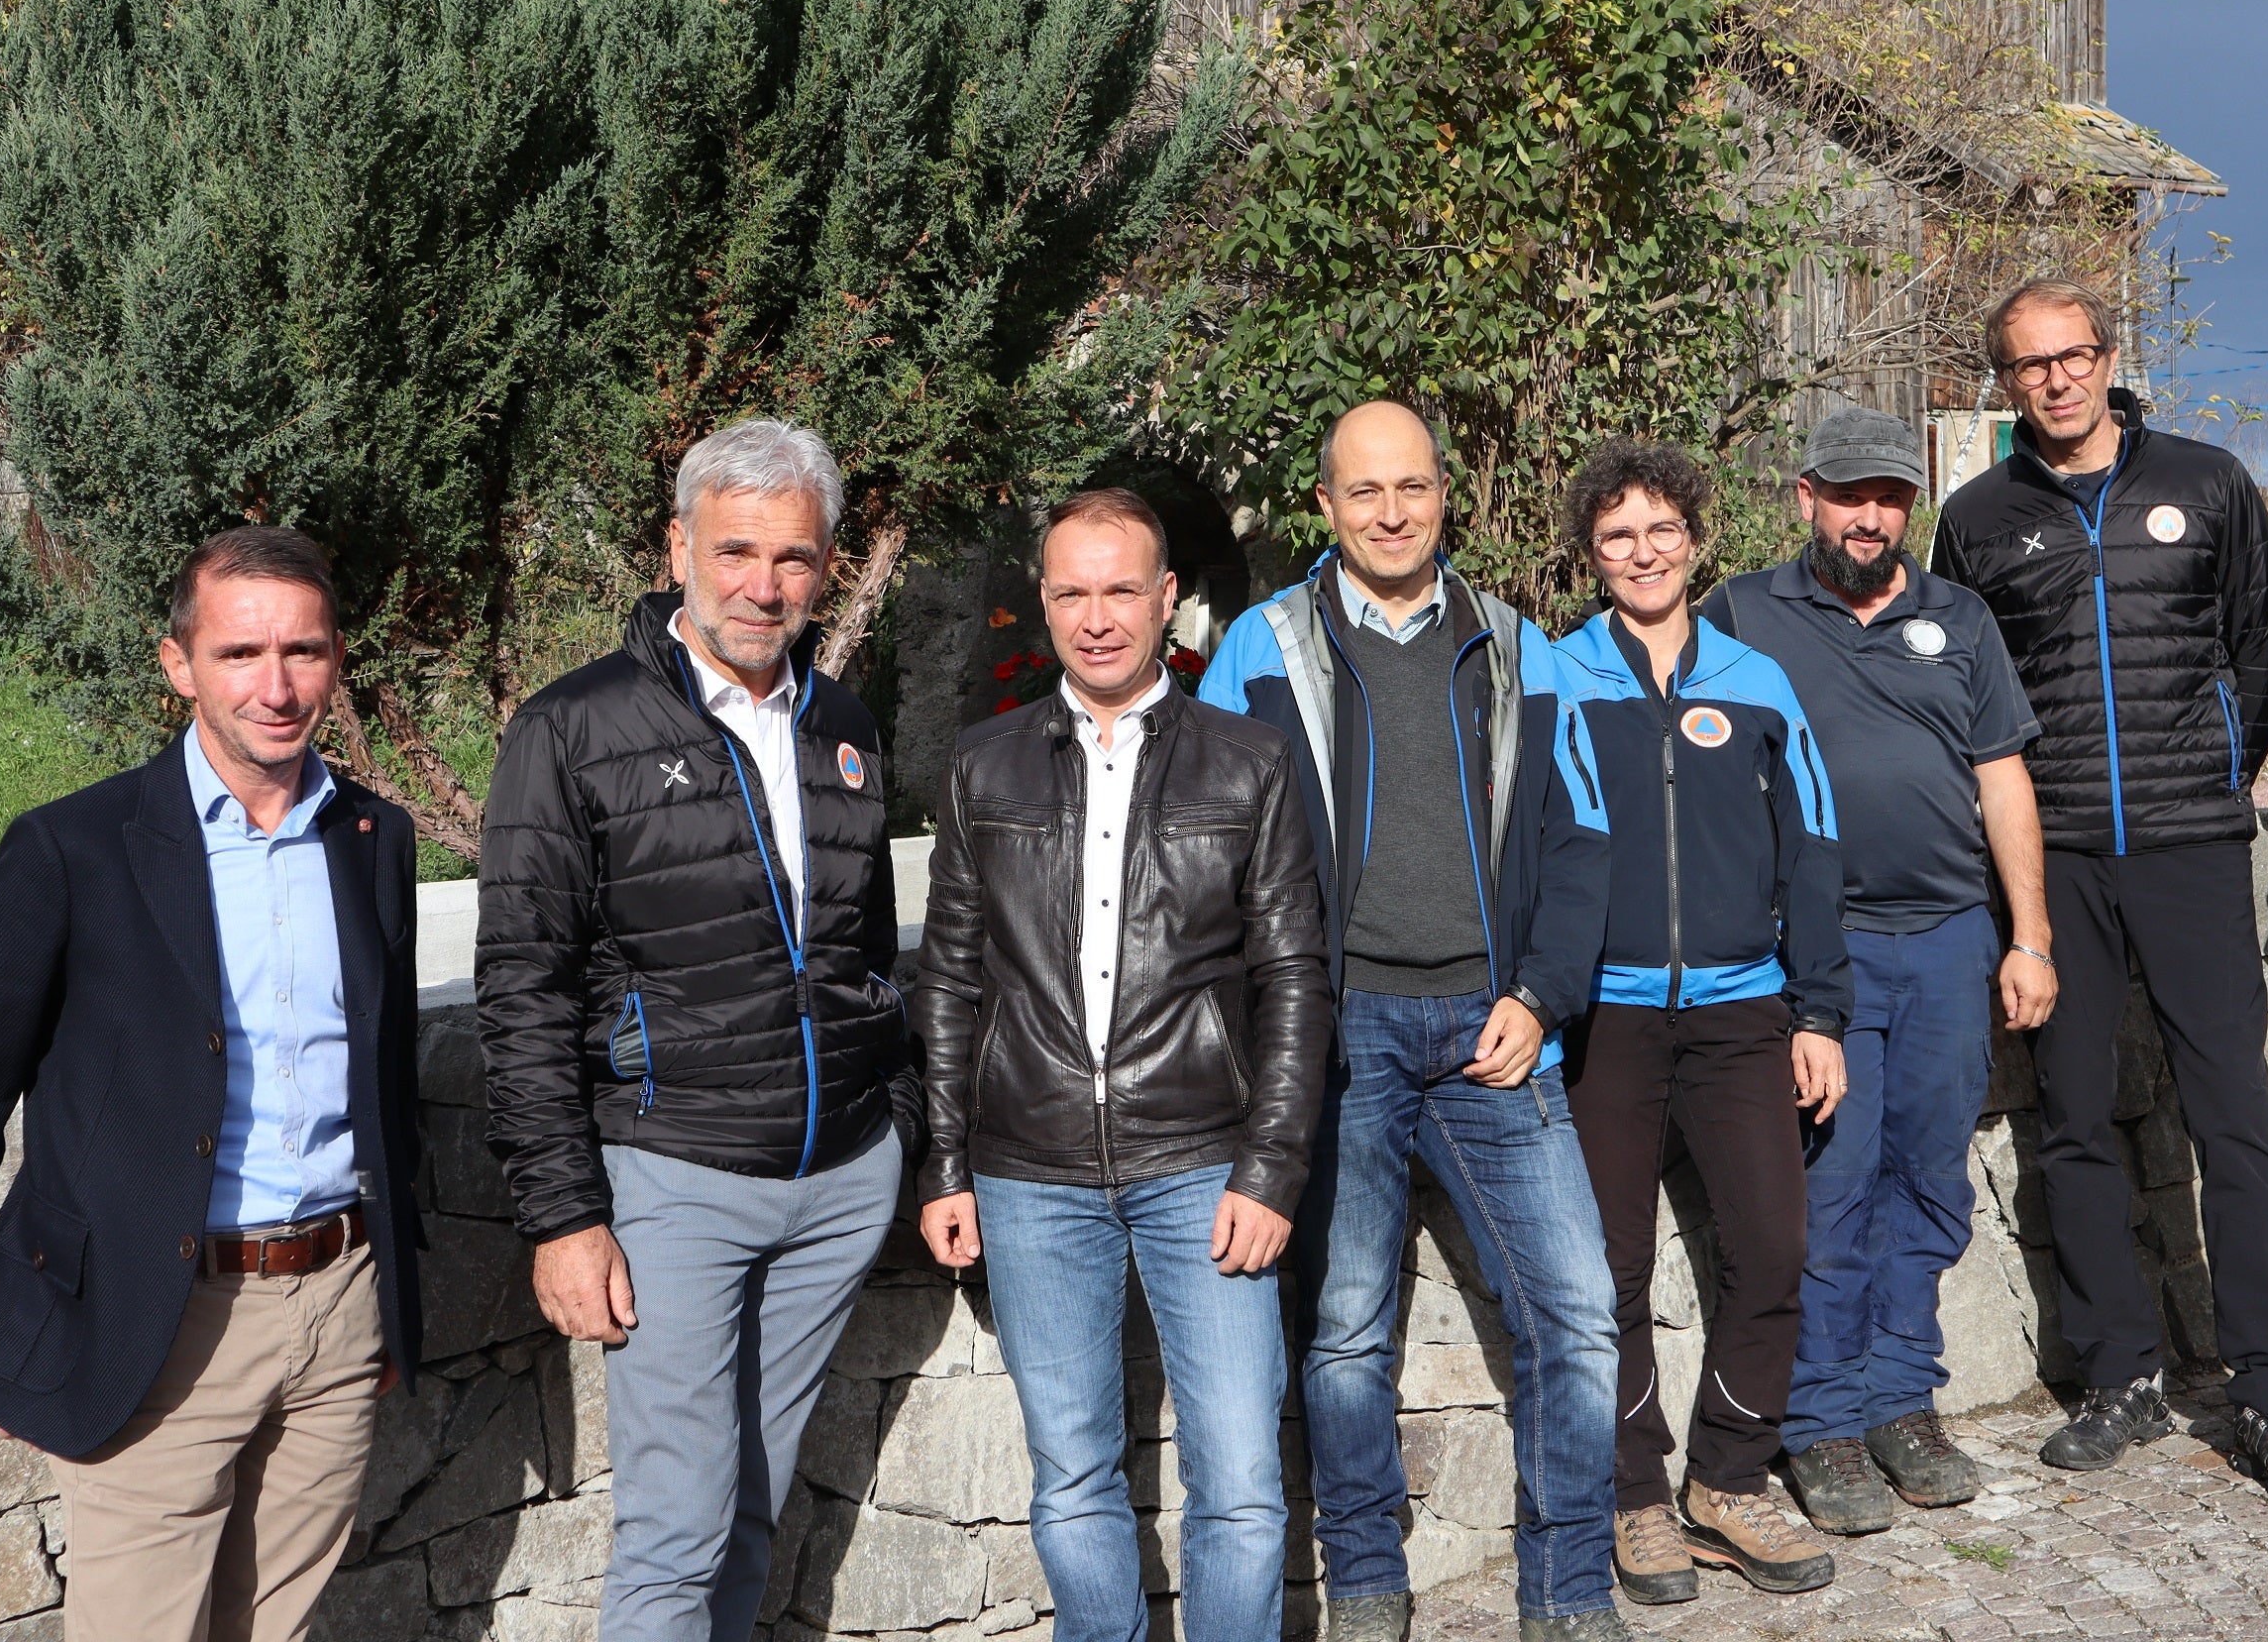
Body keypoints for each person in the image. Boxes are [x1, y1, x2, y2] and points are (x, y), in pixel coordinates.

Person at [0, 526, 425, 1642]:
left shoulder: (373, 836)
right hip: (156, 1327)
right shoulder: (73, 850)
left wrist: (384, 1300)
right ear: (178, 662)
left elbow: (383, 1071)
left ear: (335, 659)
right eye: (239, 653)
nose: (275, 687)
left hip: (335, 1306)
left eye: (304, 651)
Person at [476, 418, 917, 1642]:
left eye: (792, 558)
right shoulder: (574, 731)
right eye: (734, 550)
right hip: (675, 1178)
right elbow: (522, 986)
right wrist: (564, 1214)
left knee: (755, 1508)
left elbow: (867, 954)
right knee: (676, 1525)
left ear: (825, 565)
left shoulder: (845, 722)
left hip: (836, 1181)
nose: (762, 585)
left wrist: (904, 1126)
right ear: (677, 545)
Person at [1199, 400, 1623, 1642]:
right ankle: (1370, 1580)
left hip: (1496, 1033)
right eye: (1364, 490)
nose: (1391, 512)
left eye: (1414, 487)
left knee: (1581, 1316)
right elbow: (1212, 853)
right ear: (1324, 505)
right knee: (1342, 1333)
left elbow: (1581, 840)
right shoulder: (1257, 649)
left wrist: (1541, 996)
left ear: (1447, 495)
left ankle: (1571, 1589)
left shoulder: (1518, 646)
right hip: (1337, 1036)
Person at [1931, 279, 2268, 1506]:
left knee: (2232, 1122)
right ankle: (2123, 1375)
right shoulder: (1976, 518)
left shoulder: (2208, 482)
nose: (2056, 379)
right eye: (2030, 364)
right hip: (2053, 857)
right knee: (2072, 1118)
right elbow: (1972, 696)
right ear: (2006, 381)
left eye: (2073, 356)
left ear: (2110, 359)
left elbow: (2262, 647)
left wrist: (2214, 774)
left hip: (2188, 847)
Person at [913, 488, 1331, 1642]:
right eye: (1071, 591)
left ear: (1166, 601)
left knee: (1242, 1478)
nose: (1097, 617)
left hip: (1206, 1163)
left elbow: (1296, 976)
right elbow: (948, 975)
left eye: (1119, 590)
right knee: (1073, 1475)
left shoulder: (1250, 761)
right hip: (1029, 1168)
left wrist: (1272, 1169)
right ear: (1042, 602)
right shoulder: (983, 765)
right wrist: (946, 1160)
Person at [1701, 409, 2057, 1537]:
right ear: (1804, 495)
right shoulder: (1741, 615)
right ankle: (1821, 1422)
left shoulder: (1960, 618)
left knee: (1929, 1181)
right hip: (1820, 950)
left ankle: (1903, 1399)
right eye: (1850, 492)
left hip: (1952, 937)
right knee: (1833, 1188)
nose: (1871, 516)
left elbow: (2002, 779)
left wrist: (2030, 934)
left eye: (1892, 495)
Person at [1547, 439, 1848, 1603]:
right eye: (1618, 534)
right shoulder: (1557, 674)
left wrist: (1817, 1008)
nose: (1642, 551)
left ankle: (1726, 1481)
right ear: (1593, 552)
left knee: (1773, 1246)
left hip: (1742, 1014)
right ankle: (1635, 1495)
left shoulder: (1758, 680)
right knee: (1608, 1270)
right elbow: (1530, 853)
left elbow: (1814, 854)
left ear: (1695, 540)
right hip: (1604, 1020)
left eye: (1661, 529)